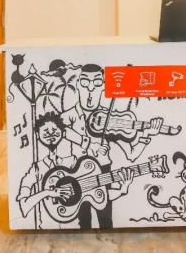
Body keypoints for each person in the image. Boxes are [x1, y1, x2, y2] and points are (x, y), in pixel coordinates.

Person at [61, 63, 163, 228]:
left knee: (106, 220)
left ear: (103, 86)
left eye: (97, 83)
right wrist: (88, 144)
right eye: (85, 82)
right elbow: (60, 131)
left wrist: (147, 134)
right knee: (83, 222)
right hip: (77, 173)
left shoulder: (111, 119)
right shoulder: (69, 116)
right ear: (78, 83)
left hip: (103, 170)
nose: (90, 89)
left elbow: (132, 154)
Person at [16, 111, 76, 228]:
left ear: (63, 133)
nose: (50, 134)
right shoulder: (36, 169)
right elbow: (24, 207)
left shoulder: (72, 162)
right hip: (46, 227)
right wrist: (48, 193)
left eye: (54, 130)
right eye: (45, 131)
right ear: (37, 135)